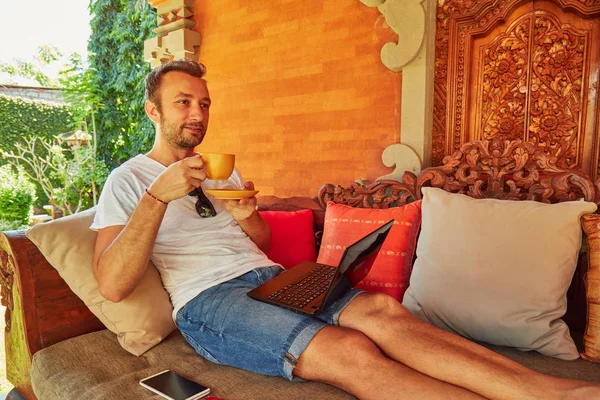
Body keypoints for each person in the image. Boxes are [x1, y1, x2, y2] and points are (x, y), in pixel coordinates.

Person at [91, 59, 599, 400]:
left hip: (270, 277)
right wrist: (159, 195)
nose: (198, 114)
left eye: (204, 103)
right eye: (183, 103)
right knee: (348, 349)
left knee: (381, 310)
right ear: (152, 110)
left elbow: (258, 246)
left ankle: (552, 390)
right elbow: (113, 283)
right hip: (210, 302)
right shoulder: (128, 180)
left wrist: (249, 216)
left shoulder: (222, 172)